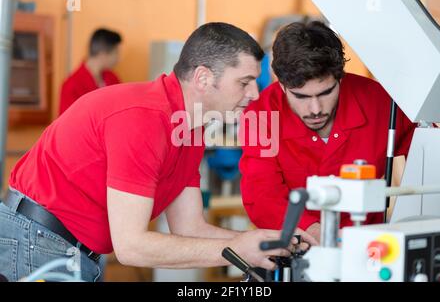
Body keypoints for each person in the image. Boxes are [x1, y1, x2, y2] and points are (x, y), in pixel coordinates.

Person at [0, 22, 315, 282]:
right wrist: (236, 248)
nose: (254, 93)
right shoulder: (145, 119)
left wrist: (264, 242)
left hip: (71, 250)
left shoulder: (190, 128)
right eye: (244, 82)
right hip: (37, 240)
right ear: (204, 78)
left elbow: (190, 228)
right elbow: (132, 247)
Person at [239, 21, 416, 243]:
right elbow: (262, 195)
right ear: (281, 83)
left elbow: (433, 155)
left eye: (325, 92)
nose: (315, 109)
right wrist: (315, 233)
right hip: (297, 245)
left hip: (369, 245)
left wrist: (414, 223)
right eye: (301, 96)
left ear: (340, 76)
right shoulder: (261, 115)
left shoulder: (380, 102)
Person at [59, 28, 122, 115]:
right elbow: (67, 125)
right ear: (103, 54)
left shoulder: (113, 78)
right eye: (116, 53)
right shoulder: (71, 86)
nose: (119, 59)